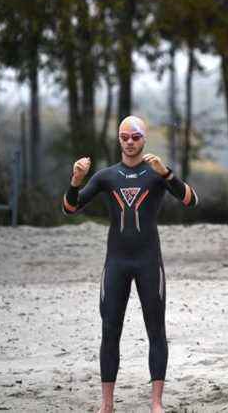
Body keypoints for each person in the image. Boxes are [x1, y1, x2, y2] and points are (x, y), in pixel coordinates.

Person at [62, 115, 198, 413]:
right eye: (125, 136)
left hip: (149, 261)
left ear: (144, 138)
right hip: (117, 262)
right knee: (110, 329)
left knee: (155, 329)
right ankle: (107, 404)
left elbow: (191, 200)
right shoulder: (106, 176)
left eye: (135, 136)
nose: (130, 142)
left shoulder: (156, 175)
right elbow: (71, 208)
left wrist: (167, 174)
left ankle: (156, 403)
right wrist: (75, 181)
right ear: (118, 139)